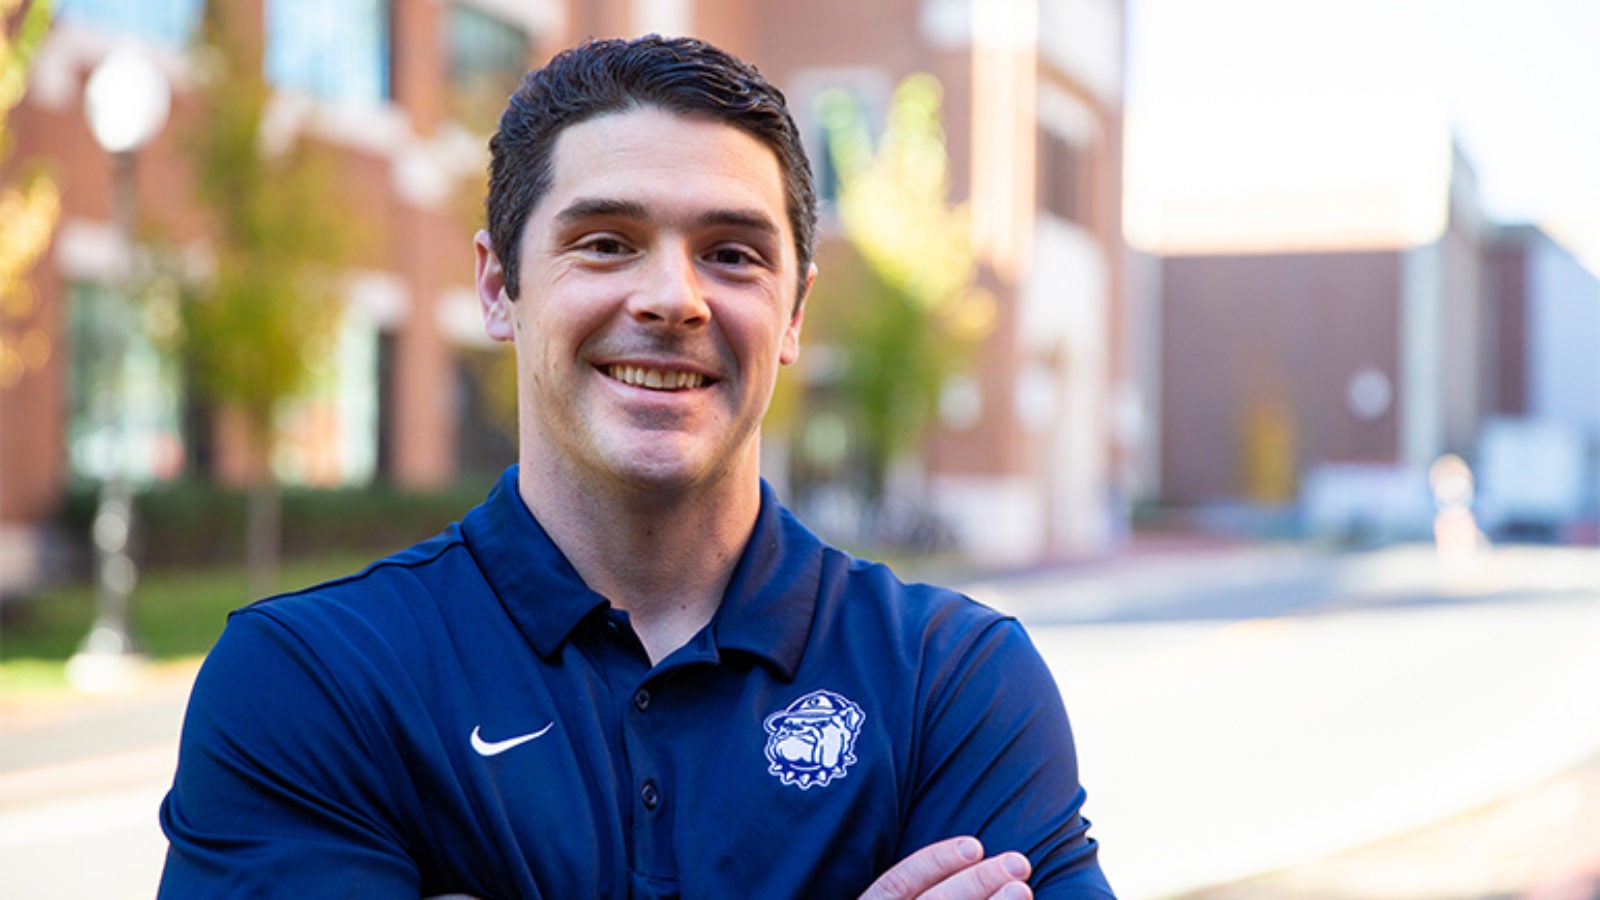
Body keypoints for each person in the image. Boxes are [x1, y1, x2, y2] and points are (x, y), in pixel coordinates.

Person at [158, 34, 1112, 899]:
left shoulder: (954, 685)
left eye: (732, 254)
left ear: (794, 316)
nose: (673, 299)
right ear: (500, 287)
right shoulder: (312, 681)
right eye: (606, 243)